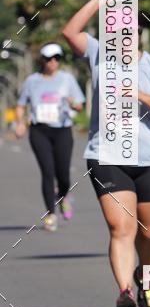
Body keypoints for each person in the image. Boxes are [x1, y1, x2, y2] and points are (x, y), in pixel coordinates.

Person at [62, 0, 150, 307]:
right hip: (107, 155)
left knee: (148, 232)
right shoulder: (99, 56)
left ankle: (146, 274)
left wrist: (139, 95)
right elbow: (70, 32)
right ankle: (125, 291)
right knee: (121, 227)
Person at [16, 43, 85, 231]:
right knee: (47, 172)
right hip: (40, 131)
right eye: (49, 58)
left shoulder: (67, 79)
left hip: (62, 130)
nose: (53, 62)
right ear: (42, 60)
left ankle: (63, 196)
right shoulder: (32, 81)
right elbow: (21, 104)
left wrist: (73, 104)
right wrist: (21, 124)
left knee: (63, 174)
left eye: (57, 58)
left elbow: (80, 104)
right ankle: (51, 215)